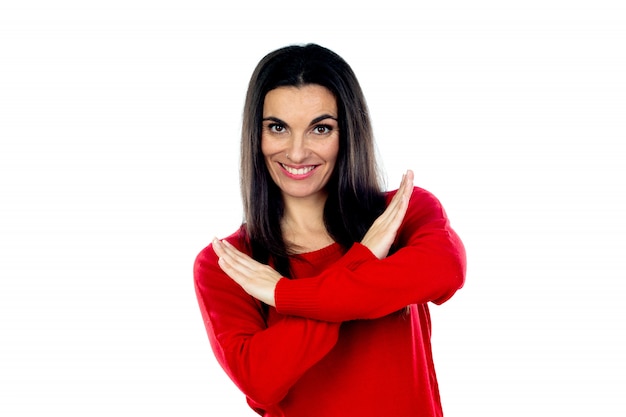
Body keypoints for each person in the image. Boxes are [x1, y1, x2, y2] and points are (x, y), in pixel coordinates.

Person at [194, 43, 466, 416]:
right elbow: (260, 380)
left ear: (348, 133)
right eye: (278, 128)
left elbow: (446, 272)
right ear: (255, 137)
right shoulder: (228, 264)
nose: (297, 152)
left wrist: (284, 295)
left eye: (321, 128)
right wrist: (364, 258)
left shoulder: (403, 212)